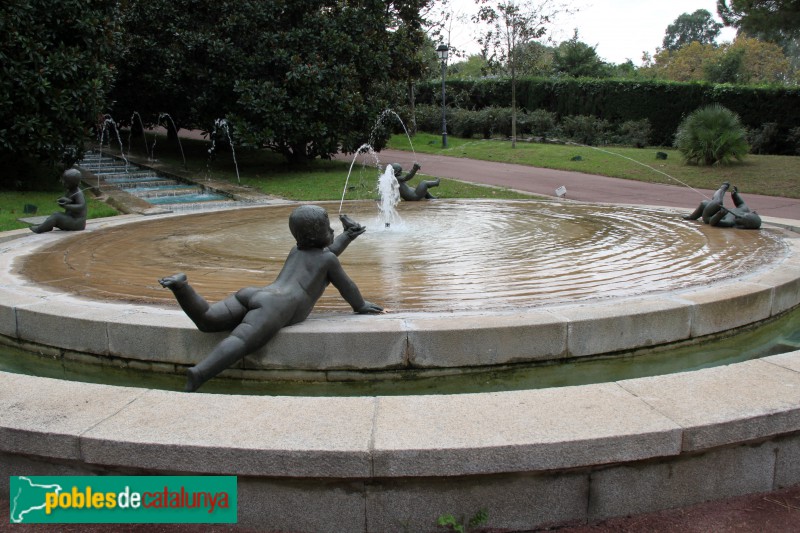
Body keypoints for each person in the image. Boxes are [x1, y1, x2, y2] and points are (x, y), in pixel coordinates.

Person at [159, 205, 383, 392]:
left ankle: (182, 287)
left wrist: (348, 236)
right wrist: (360, 305)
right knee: (241, 341)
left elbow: (327, 251)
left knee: (208, 320)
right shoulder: (328, 261)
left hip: (255, 293)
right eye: (329, 228)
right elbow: (347, 286)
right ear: (320, 235)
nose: (334, 231)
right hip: (278, 306)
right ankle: (200, 373)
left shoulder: (297, 250)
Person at [683, 182, 761, 229]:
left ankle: (722, 188)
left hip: (708, 217)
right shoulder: (743, 209)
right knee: (704, 204)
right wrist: (735, 195)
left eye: (741, 221)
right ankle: (692, 217)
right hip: (712, 209)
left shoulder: (730, 222)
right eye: (743, 216)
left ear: (742, 226)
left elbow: (712, 223)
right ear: (751, 213)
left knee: (717, 202)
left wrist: (719, 215)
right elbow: (740, 203)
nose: (739, 217)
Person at [30, 169, 87, 233]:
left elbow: (81, 206)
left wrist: (66, 206)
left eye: (66, 182)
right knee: (53, 217)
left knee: (56, 216)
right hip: (72, 219)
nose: (63, 183)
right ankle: (46, 226)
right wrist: (64, 200)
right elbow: (71, 201)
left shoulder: (78, 193)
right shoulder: (71, 191)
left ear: (73, 183)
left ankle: (39, 229)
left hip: (78, 223)